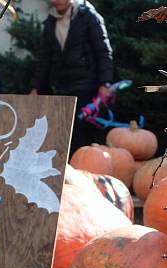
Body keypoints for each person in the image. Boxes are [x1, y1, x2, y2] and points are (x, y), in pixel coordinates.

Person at [30, 0, 114, 154]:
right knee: (64, 135)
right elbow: (44, 60)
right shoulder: (50, 23)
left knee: (81, 138)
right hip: (63, 88)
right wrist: (36, 87)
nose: (56, 1)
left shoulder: (89, 16)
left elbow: (103, 52)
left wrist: (105, 83)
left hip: (88, 88)